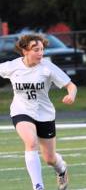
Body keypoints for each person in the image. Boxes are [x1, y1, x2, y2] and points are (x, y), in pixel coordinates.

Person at [0, 34, 77, 190]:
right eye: (36, 50)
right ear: (24, 50)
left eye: (42, 49)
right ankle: (38, 186)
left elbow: (71, 86)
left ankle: (61, 168)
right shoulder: (11, 66)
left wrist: (71, 95)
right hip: (21, 111)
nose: (40, 53)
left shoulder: (47, 67)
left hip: (44, 114)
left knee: (49, 158)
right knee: (31, 142)